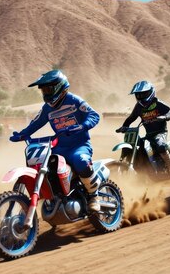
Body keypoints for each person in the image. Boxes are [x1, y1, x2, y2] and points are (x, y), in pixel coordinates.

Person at [9, 70, 101, 211]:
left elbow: (94, 115)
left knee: (80, 160)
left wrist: (82, 126)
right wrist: (22, 134)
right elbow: (36, 123)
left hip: (79, 145)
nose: (45, 93)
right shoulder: (47, 108)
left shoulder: (74, 100)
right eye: (43, 90)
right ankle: (54, 197)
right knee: (43, 167)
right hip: (59, 147)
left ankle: (94, 196)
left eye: (48, 89)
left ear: (59, 87)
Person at [115, 80, 170, 178]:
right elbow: (131, 118)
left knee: (160, 144)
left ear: (151, 92)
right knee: (140, 146)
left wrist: (163, 117)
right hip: (149, 135)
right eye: (138, 95)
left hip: (160, 132)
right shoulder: (139, 106)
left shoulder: (157, 103)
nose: (141, 97)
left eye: (143, 94)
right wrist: (124, 126)